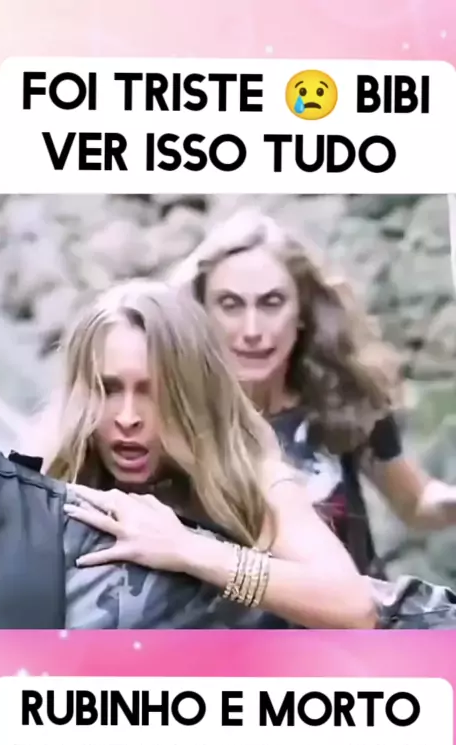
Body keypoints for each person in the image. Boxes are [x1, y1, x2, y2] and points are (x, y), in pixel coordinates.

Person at [31, 279, 377, 630]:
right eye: (110, 389)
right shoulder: (54, 472)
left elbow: (353, 607)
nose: (128, 418)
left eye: (153, 391)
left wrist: (187, 550)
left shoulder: (249, 481)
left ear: (191, 395)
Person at [174, 209, 456, 579]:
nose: (252, 330)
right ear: (202, 313)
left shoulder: (340, 397)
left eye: (272, 303)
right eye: (230, 305)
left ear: (302, 311)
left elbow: (416, 502)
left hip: (360, 611)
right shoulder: (176, 419)